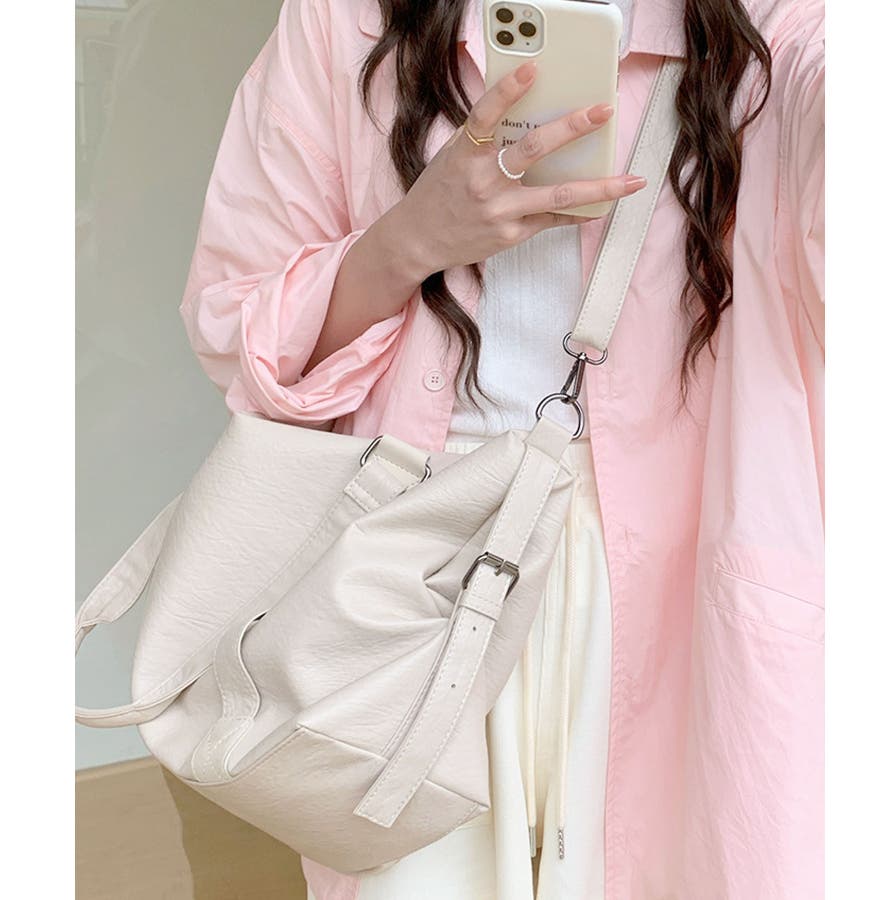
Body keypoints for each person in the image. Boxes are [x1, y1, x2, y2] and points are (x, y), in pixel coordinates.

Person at [178, 0, 824, 897]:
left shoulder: (788, 23)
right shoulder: (345, 18)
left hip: (672, 572)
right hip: (412, 561)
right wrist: (413, 237)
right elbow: (238, 329)